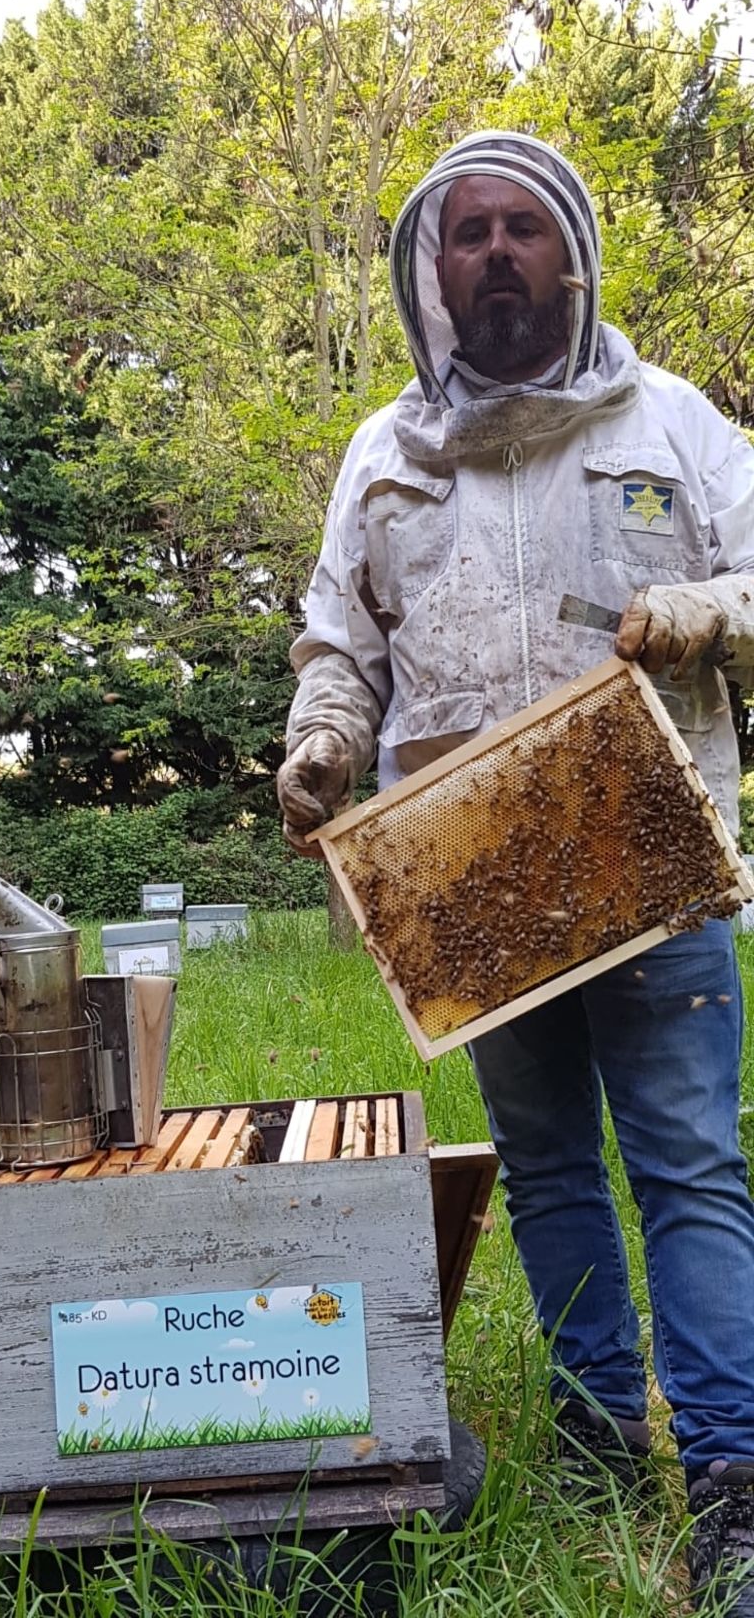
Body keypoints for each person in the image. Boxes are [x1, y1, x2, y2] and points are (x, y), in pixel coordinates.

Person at [276, 130, 754, 1612]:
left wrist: (692, 609)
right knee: (547, 1170)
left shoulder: (675, 423)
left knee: (689, 1164)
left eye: (521, 230)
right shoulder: (383, 453)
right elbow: (339, 641)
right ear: (435, 269)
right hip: (469, 869)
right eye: (467, 233)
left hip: (648, 854)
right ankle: (605, 1429)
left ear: (572, 254)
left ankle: (734, 1475)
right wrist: (319, 742)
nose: (494, 253)